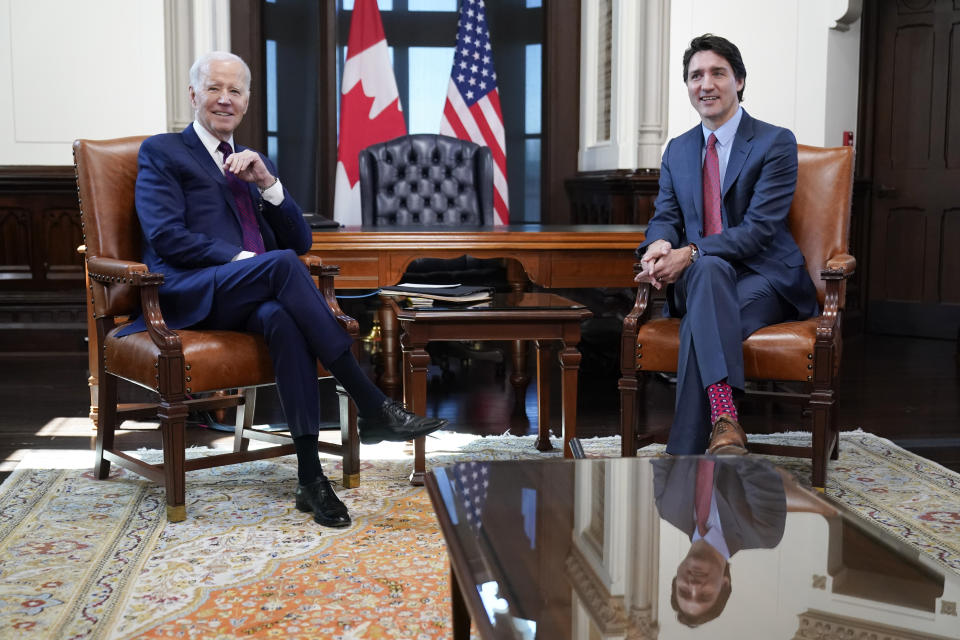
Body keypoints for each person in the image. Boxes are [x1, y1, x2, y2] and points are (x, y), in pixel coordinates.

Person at [130, 51, 446, 528]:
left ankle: (311, 478)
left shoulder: (254, 161)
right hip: (187, 291)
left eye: (235, 91)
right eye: (214, 88)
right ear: (193, 95)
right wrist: (246, 262)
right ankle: (370, 400)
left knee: (284, 319)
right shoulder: (163, 151)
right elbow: (166, 237)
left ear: (247, 101)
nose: (224, 99)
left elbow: (300, 241)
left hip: (249, 295)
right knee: (277, 267)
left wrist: (270, 184)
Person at [635, 34, 819, 456]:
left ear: (738, 80)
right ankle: (724, 420)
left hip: (764, 278)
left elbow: (759, 230)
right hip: (703, 280)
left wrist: (692, 252)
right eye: (696, 75)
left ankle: (684, 454)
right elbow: (666, 215)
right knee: (709, 271)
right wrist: (660, 245)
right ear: (687, 86)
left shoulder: (775, 142)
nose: (706, 84)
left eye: (718, 72)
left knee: (706, 278)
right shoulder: (678, 150)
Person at [653, 456, 836, 627]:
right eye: (704, 596)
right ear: (724, 583)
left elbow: (662, 452)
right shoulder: (763, 533)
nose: (693, 586)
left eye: (684, 591)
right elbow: (756, 466)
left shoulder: (666, 508)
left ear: (677, 577)